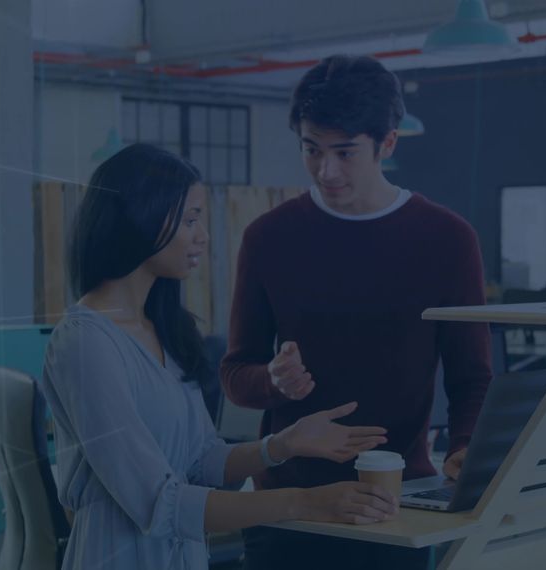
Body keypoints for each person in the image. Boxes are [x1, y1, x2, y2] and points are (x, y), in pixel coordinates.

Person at [39, 144, 399, 570]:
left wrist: (283, 444)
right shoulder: (84, 344)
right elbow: (161, 502)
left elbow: (201, 461)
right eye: (190, 219)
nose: (203, 235)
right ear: (142, 216)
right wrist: (304, 502)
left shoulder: (165, 331)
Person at [221, 55, 493, 569]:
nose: (327, 171)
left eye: (345, 153)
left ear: (387, 143)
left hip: (393, 506)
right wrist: (274, 382)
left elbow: (471, 376)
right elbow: (236, 374)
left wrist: (465, 447)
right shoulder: (267, 238)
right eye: (312, 150)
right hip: (286, 510)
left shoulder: (448, 240)